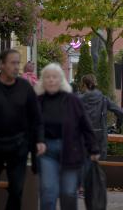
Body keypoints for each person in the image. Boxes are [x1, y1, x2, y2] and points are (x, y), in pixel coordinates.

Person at [0, 49, 46, 210]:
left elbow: (36, 117)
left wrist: (40, 140)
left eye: (18, 63)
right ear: (2, 65)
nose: (16, 67)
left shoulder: (25, 87)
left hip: (18, 145)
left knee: (16, 189)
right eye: (12, 63)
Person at [34, 63, 100, 210]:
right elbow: (32, 124)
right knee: (48, 192)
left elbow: (85, 125)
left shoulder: (73, 100)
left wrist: (93, 148)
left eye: (54, 77)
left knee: (68, 193)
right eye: (47, 77)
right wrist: (37, 140)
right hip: (46, 151)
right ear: (42, 81)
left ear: (61, 80)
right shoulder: (38, 101)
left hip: (70, 150)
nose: (51, 80)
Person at [80, 74, 123, 160]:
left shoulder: (78, 99)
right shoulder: (104, 99)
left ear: (84, 85)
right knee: (99, 167)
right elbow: (120, 112)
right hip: (100, 139)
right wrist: (117, 125)